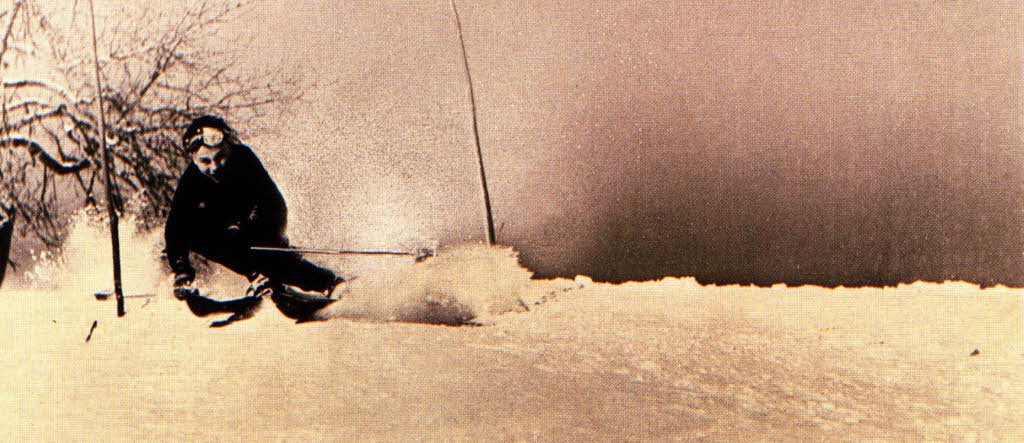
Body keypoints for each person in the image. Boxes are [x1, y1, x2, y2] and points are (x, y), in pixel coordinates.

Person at [165, 115, 342, 321]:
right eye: (205, 161)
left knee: (272, 259)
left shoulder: (243, 159)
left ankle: (330, 284)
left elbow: (274, 204)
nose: (214, 167)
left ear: (229, 148)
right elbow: (176, 229)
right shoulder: (191, 180)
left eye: (220, 157)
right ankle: (261, 277)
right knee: (197, 234)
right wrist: (182, 272)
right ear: (193, 159)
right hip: (228, 237)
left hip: (261, 224)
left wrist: (265, 240)